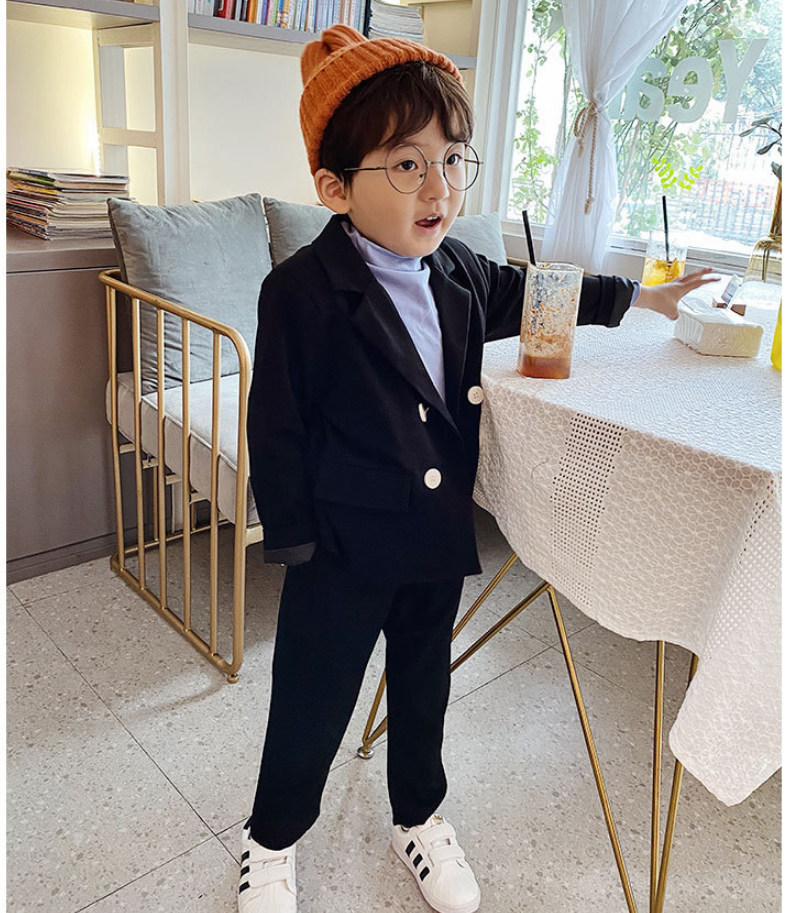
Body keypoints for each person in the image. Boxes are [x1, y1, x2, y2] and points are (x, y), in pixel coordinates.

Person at [241, 24, 715, 913]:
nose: (441, 187)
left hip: (431, 541)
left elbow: (538, 291)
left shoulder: (458, 268)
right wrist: (295, 537)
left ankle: (418, 817)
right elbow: (276, 423)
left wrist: (640, 297)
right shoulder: (301, 290)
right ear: (335, 187)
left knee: (426, 689)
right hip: (341, 549)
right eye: (407, 164)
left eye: (454, 159)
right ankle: (271, 838)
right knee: (312, 699)